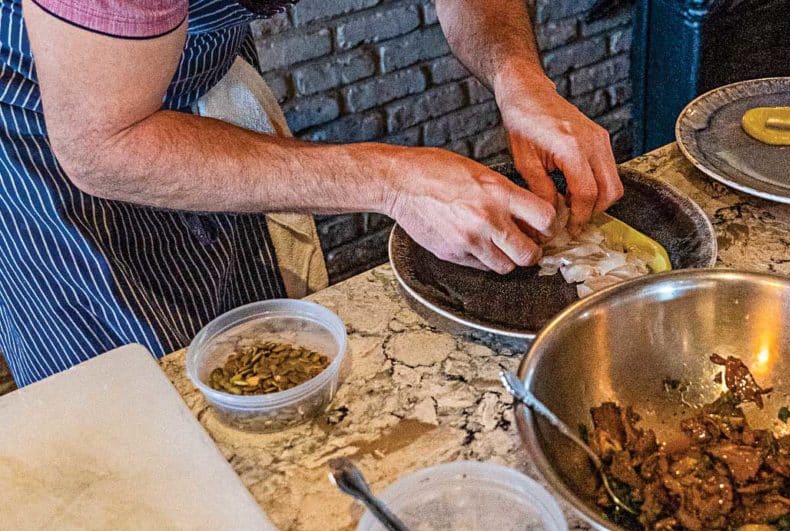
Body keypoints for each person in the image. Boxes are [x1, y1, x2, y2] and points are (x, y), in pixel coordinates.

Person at [0, 0, 623, 386]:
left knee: (256, 364)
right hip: (51, 132)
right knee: (139, 417)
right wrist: (392, 180)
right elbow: (102, 143)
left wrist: (518, 77)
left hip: (193, 83)